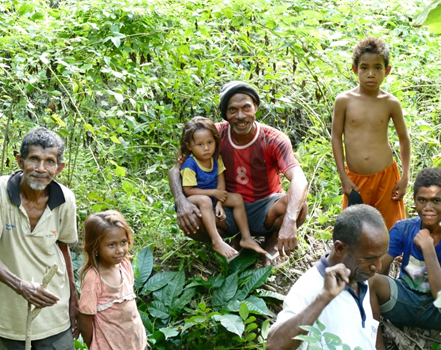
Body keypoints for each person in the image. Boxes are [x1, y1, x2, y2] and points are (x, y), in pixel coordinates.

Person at [168, 81, 308, 263]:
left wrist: (289, 220)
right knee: (192, 216)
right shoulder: (215, 135)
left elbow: (299, 179)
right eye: (233, 110)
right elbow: (175, 169)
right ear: (225, 113)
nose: (240, 116)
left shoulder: (273, 139)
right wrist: (181, 202)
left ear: (256, 107)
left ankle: (272, 240)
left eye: (246, 108)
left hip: (266, 206)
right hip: (228, 207)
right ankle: (230, 239)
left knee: (299, 206)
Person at [0, 127, 78, 349]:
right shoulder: (0, 190)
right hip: (13, 315)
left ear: (59, 168)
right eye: (34, 159)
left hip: (55, 313)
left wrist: (73, 301)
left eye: (49, 161)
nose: (41, 169)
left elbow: (63, 250)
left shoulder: (66, 199)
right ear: (20, 161)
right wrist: (21, 286)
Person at [368, 168, 441, 346]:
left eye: (436, 201)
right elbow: (378, 270)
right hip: (404, 301)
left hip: (438, 312)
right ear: (414, 200)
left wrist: (428, 248)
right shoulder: (403, 229)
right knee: (369, 280)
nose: (428, 208)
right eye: (422, 200)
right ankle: (376, 346)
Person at [266, 205, 389, 350]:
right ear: (339, 249)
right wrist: (324, 297)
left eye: (380, 257)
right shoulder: (309, 288)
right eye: (369, 258)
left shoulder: (362, 279)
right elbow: (274, 346)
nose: (378, 266)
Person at [331, 37, 411, 231]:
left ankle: (386, 261)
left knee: (390, 229)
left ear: (387, 70)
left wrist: (405, 176)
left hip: (386, 176)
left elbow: (404, 139)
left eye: (377, 68)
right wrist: (343, 176)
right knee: (355, 229)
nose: (371, 74)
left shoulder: (390, 102)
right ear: (355, 70)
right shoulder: (344, 101)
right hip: (356, 179)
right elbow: (336, 137)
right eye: (364, 68)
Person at [177, 116, 268, 259]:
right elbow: (188, 190)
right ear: (189, 146)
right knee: (205, 200)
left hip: (213, 196)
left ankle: (246, 237)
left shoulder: (216, 159)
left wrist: (220, 201)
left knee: (237, 199)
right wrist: (214, 193)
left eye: (209, 142)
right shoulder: (190, 165)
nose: (206, 148)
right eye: (199, 144)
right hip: (194, 198)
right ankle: (216, 241)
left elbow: (221, 181)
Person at [77, 210, 147, 350]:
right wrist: (95, 344)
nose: (120, 250)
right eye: (111, 245)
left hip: (136, 343)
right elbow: (85, 320)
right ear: (95, 247)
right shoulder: (94, 279)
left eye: (123, 242)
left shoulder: (124, 265)